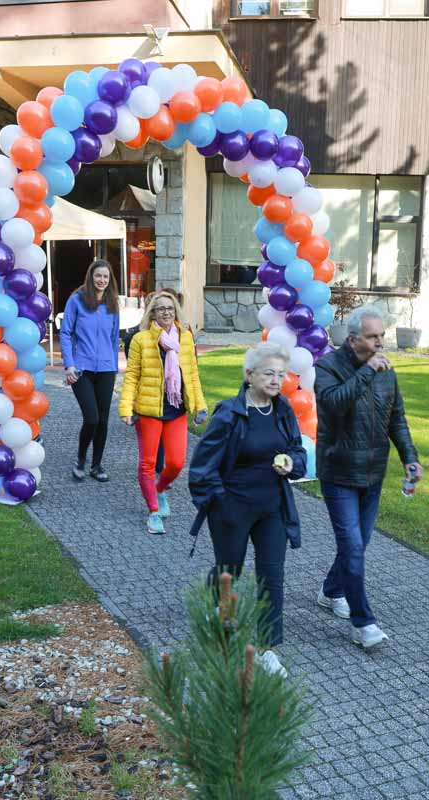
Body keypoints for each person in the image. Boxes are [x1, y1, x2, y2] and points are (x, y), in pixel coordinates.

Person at [188, 342, 307, 677]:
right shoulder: (229, 413)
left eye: (281, 375)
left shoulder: (283, 410)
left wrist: (292, 462)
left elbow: (298, 451)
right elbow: (201, 468)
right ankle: (216, 608)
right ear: (249, 374)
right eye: (269, 373)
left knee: (273, 576)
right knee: (230, 569)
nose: (276, 380)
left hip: (273, 508)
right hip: (232, 507)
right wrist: (220, 502)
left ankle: (268, 650)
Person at [314, 306, 423, 650]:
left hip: (373, 472)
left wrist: (410, 458)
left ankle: (331, 591)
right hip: (339, 472)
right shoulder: (328, 367)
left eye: (382, 335)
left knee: (358, 544)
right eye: (373, 336)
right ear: (352, 339)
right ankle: (364, 624)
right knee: (353, 546)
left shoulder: (386, 371)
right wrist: (366, 372)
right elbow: (334, 404)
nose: (380, 343)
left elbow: (397, 419)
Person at [119, 290, 208, 534]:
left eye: (170, 308)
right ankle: (153, 512)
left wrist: (200, 405)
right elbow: (132, 376)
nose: (166, 312)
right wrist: (126, 407)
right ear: (152, 313)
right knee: (147, 463)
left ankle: (158, 490)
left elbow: (192, 375)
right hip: (148, 410)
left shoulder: (185, 338)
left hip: (176, 409)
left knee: (177, 463)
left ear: (175, 311)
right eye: (161, 309)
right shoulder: (141, 339)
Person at [61, 259, 122, 482]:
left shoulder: (112, 303)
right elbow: (65, 333)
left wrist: (113, 366)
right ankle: (80, 459)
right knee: (92, 418)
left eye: (106, 276)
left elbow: (114, 338)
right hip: (81, 369)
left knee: (103, 420)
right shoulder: (77, 300)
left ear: (110, 279)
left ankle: (96, 465)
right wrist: (69, 364)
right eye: (98, 276)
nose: (102, 280)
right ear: (91, 276)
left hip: (106, 369)